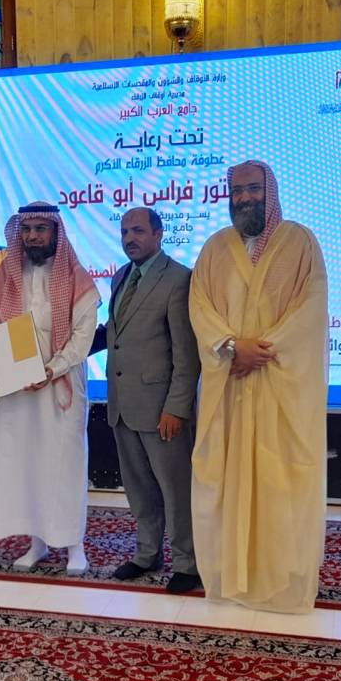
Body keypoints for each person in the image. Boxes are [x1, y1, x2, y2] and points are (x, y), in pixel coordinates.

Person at [188, 160, 329, 613]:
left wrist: (260, 351)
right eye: (237, 191)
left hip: (276, 388)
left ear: (270, 191)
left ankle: (281, 583)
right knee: (224, 482)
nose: (244, 198)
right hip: (229, 388)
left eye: (252, 189)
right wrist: (232, 347)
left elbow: (310, 310)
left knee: (279, 484)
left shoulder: (300, 243)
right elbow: (200, 309)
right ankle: (228, 579)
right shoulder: (214, 248)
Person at [0, 202, 99, 576]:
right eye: (27, 230)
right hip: (17, 388)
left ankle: (74, 545)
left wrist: (51, 368)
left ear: (56, 232)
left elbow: (83, 336)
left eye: (41, 229)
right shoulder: (7, 276)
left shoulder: (77, 278)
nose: (33, 236)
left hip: (59, 386)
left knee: (63, 464)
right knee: (26, 464)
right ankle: (37, 543)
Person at [92, 206, 201, 593]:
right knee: (139, 489)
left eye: (138, 231)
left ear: (158, 234)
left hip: (161, 410)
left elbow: (187, 355)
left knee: (176, 490)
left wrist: (177, 408)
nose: (129, 239)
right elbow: (115, 333)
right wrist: (65, 347)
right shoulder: (121, 276)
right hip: (123, 405)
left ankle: (188, 563)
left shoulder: (179, 279)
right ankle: (146, 553)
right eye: (124, 232)